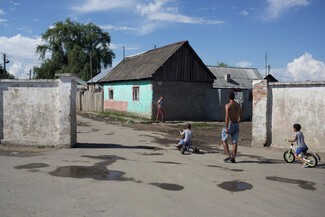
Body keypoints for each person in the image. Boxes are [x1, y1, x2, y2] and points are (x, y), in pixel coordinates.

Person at [222, 91, 242, 163]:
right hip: (236, 124)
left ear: (228, 97)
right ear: (234, 97)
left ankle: (228, 156)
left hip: (230, 124)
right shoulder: (238, 105)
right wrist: (239, 119)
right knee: (235, 141)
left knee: (224, 140)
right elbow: (241, 114)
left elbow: (227, 117)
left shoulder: (228, 105)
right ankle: (233, 158)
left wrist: (226, 127)